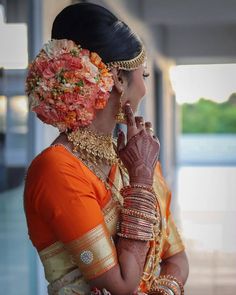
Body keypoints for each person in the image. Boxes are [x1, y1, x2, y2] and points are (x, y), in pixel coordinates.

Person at [24, 3, 189, 295]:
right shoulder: (57, 169)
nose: (145, 88)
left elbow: (176, 257)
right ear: (118, 79)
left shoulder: (135, 157)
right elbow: (122, 285)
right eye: (144, 76)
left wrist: (166, 290)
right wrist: (139, 181)